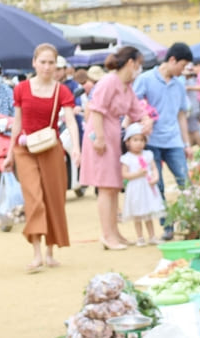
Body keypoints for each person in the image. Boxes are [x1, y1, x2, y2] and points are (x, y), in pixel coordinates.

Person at [3, 43, 79, 271]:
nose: (47, 67)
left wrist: (76, 147)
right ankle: (36, 253)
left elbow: (71, 120)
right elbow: (16, 123)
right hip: (25, 150)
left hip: (51, 149)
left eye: (51, 62)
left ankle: (49, 251)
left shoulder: (62, 91)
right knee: (34, 198)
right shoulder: (21, 88)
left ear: (57, 65)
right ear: (34, 62)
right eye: (43, 62)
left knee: (53, 200)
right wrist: (9, 154)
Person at [81, 47, 154, 250]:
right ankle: (107, 235)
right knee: (105, 186)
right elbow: (95, 110)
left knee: (113, 186)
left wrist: (147, 120)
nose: (139, 69)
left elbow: (136, 109)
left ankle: (115, 232)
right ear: (131, 63)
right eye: (138, 65)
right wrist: (100, 139)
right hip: (100, 134)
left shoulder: (126, 85)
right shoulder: (109, 81)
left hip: (113, 134)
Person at [134, 42, 193, 241]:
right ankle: (166, 225)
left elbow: (182, 115)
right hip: (152, 141)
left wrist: (186, 144)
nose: (183, 70)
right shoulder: (146, 79)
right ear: (172, 60)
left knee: (185, 181)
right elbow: (133, 105)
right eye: (182, 65)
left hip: (174, 140)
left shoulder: (180, 85)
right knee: (157, 186)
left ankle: (189, 220)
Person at [120, 123, 166, 246]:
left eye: (141, 140)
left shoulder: (148, 155)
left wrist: (155, 178)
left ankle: (152, 236)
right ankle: (140, 237)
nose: (139, 143)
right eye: (135, 140)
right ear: (128, 142)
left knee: (148, 212)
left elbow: (154, 168)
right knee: (137, 214)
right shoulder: (126, 158)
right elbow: (124, 175)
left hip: (147, 187)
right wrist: (138, 174)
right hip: (135, 188)